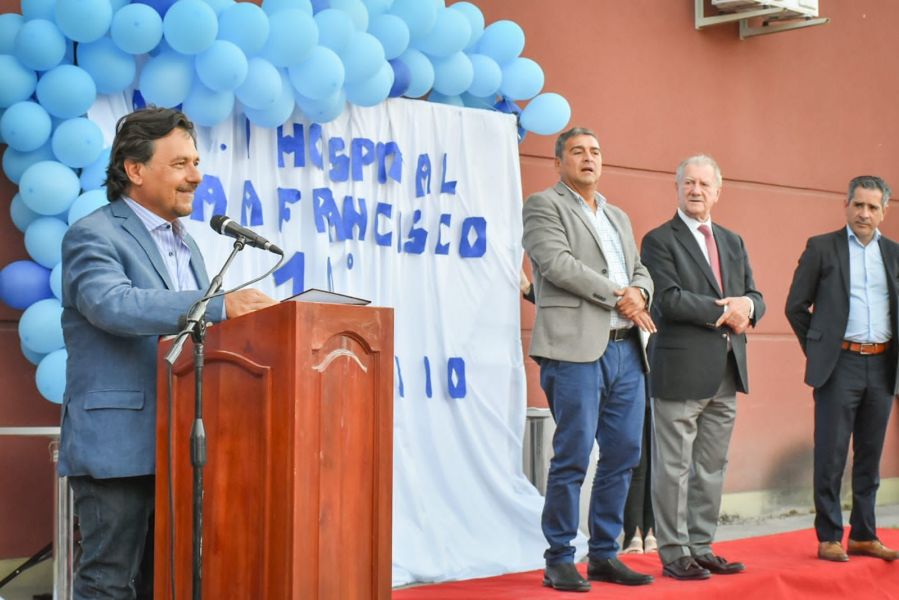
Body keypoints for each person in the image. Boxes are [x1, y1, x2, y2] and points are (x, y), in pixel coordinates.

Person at [58, 107, 276, 599]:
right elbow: (110, 305)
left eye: (196, 162)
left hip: (185, 445)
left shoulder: (190, 248)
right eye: (180, 164)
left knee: (169, 581)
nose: (196, 176)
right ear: (135, 170)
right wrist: (219, 305)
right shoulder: (94, 234)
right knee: (109, 581)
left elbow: (198, 337)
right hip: (118, 444)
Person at [522, 126, 656, 592]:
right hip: (574, 350)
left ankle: (603, 554)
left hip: (626, 351)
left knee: (623, 454)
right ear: (559, 162)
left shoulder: (618, 215)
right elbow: (557, 264)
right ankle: (559, 557)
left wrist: (640, 291)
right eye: (577, 151)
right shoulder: (544, 206)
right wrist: (621, 297)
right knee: (573, 456)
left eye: (595, 151)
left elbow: (639, 269)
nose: (589, 158)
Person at [641, 154, 765, 581]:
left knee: (712, 466)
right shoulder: (659, 240)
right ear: (678, 188)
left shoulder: (733, 240)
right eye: (688, 183)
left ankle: (702, 545)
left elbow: (754, 295)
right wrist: (726, 311)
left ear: (718, 191)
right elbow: (668, 299)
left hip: (726, 372)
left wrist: (748, 306)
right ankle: (674, 552)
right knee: (674, 467)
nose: (696, 190)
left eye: (704, 184)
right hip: (679, 371)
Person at [785, 175, 899, 563]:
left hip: (882, 366)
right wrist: (820, 351)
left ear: (884, 211)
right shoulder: (823, 248)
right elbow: (795, 306)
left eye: (872, 207)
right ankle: (830, 534)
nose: (864, 213)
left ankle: (864, 534)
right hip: (840, 365)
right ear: (846, 205)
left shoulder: (895, 255)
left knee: (870, 456)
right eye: (858, 205)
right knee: (831, 455)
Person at [620, 385, 656, 555]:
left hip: (663, 377)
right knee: (636, 461)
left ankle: (651, 530)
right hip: (631, 378)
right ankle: (633, 532)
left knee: (658, 462)